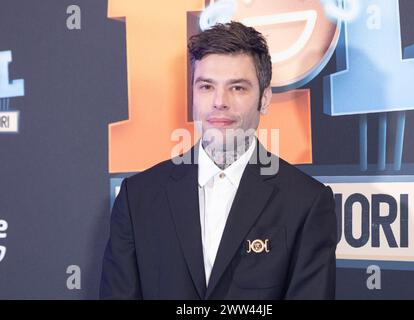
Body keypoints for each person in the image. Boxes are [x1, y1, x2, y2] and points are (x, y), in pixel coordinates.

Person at [100, 21, 337, 300]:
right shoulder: (137, 197)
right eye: (206, 86)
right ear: (193, 95)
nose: (219, 102)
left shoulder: (307, 203)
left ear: (265, 98)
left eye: (237, 88)